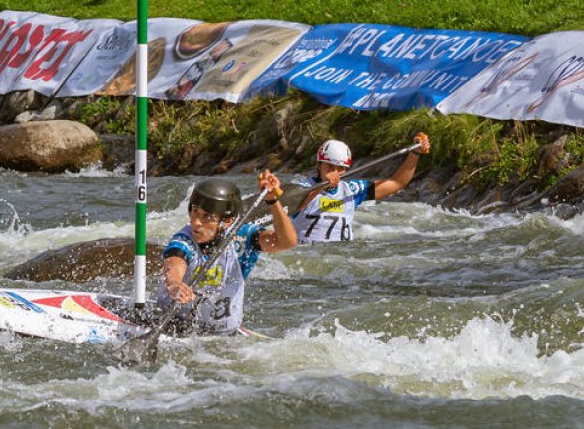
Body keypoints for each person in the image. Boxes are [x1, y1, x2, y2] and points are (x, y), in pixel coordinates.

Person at [158, 172, 297, 335]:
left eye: (207, 217)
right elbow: (174, 265)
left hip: (224, 335)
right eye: (195, 211)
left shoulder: (243, 237)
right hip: (176, 327)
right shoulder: (183, 241)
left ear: (227, 221)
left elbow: (287, 242)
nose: (196, 222)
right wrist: (174, 285)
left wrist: (273, 201)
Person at [282, 134, 431, 245]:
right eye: (329, 167)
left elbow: (397, 183)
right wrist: (321, 187)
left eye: (340, 168)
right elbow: (290, 206)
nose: (334, 172)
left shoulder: (351, 190)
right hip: (306, 256)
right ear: (319, 165)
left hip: (341, 258)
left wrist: (415, 153)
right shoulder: (302, 188)